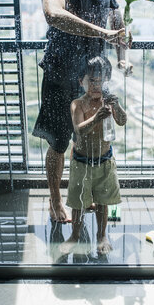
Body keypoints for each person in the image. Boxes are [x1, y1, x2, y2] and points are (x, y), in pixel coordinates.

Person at [32, 0, 132, 223]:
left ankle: (85, 194)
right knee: (58, 143)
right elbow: (53, 14)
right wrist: (104, 32)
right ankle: (55, 198)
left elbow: (116, 20)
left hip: (92, 78)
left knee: (88, 137)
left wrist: (122, 55)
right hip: (61, 75)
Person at [59, 56, 127, 255]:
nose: (96, 85)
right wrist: (97, 118)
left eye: (101, 81)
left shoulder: (109, 102)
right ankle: (75, 235)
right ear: (81, 81)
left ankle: (102, 235)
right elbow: (78, 130)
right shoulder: (78, 104)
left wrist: (118, 106)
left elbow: (122, 121)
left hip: (105, 161)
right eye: (92, 81)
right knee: (78, 204)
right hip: (81, 162)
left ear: (108, 80)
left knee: (103, 202)